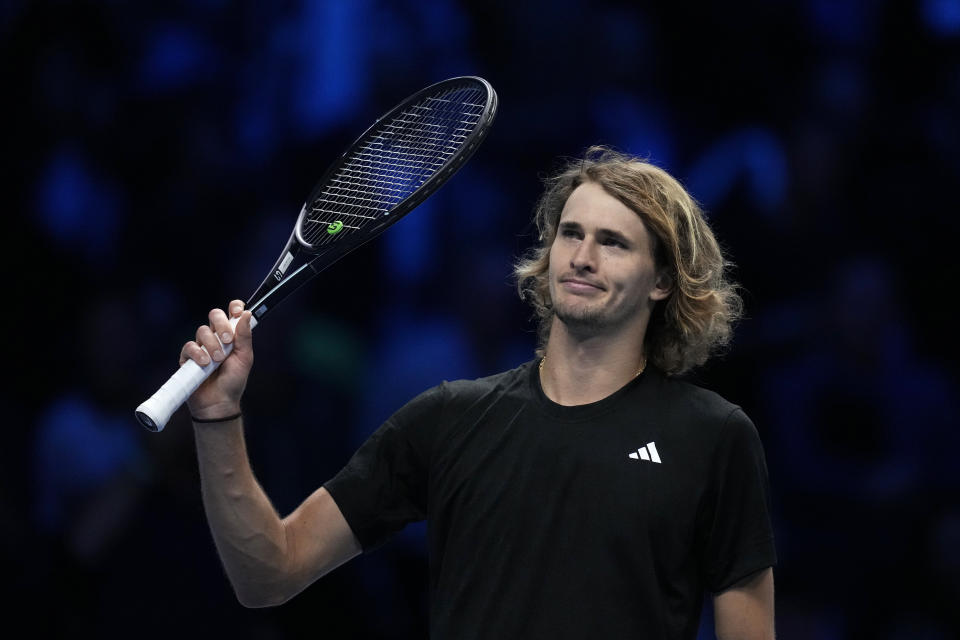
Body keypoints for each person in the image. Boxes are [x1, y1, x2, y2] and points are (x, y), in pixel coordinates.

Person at [182, 146, 777, 639]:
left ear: (664, 281)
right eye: (570, 234)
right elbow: (269, 574)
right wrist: (218, 418)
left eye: (614, 242)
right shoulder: (448, 417)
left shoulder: (714, 436)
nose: (583, 257)